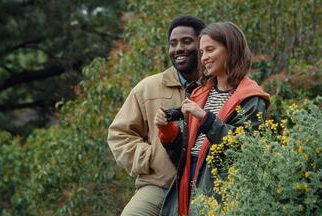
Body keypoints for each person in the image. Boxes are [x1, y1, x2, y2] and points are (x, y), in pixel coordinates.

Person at [154, 22, 271, 215]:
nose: (204, 58)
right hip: (188, 184)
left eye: (210, 50)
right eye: (201, 52)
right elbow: (180, 157)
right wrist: (167, 130)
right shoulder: (200, 93)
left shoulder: (251, 99)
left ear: (231, 50)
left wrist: (206, 119)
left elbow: (247, 149)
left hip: (221, 189)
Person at [107, 16, 205, 216]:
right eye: (173, 43)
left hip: (205, 189)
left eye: (187, 41)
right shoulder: (148, 88)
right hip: (159, 186)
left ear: (202, 44)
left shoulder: (218, 85)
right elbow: (119, 134)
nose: (178, 48)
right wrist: (150, 158)